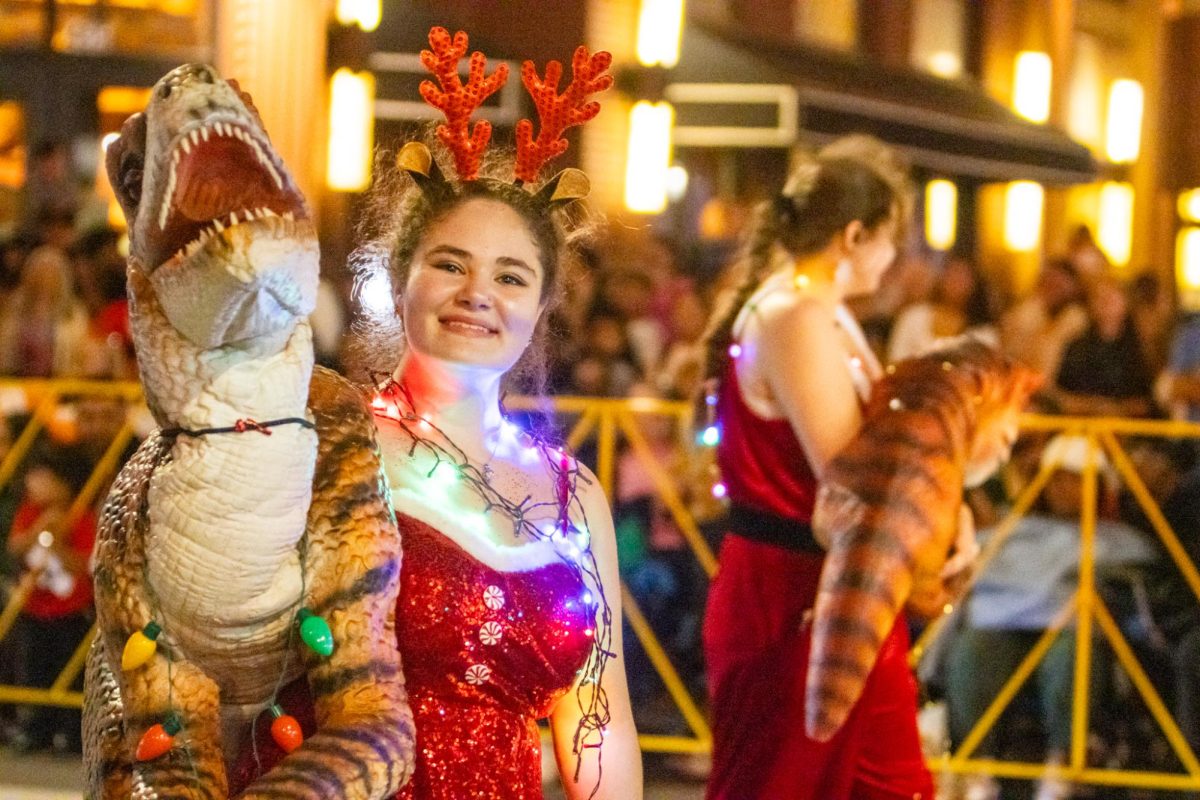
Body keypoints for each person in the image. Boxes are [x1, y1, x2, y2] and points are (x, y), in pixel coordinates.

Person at [342, 29, 641, 799]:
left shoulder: (576, 496)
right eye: (449, 264)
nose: (478, 293)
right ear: (398, 280)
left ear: (541, 306)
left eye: (510, 276)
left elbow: (597, 721)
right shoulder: (336, 448)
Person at [699, 135, 938, 799]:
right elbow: (851, 468)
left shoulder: (822, 312)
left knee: (892, 786)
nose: (895, 260)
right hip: (793, 596)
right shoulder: (794, 315)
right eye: (892, 239)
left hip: (843, 589)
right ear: (855, 235)